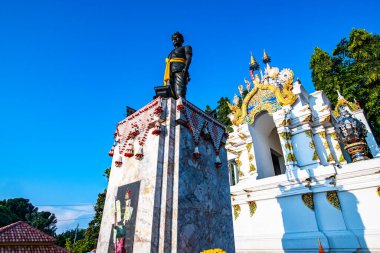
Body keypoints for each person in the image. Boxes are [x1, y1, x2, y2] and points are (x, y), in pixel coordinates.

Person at [163, 32, 192, 99]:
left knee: (179, 92)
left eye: (176, 38)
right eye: (173, 39)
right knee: (170, 93)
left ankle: (180, 107)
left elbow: (189, 58)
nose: (174, 40)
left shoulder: (186, 47)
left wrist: (186, 68)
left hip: (180, 70)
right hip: (169, 73)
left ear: (182, 39)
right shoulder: (171, 52)